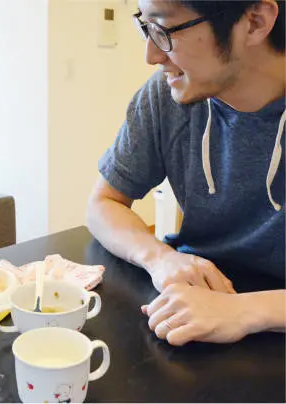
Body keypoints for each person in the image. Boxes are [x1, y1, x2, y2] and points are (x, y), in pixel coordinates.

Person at [87, 0, 285, 345]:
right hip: (196, 309)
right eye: (145, 27)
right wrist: (160, 259)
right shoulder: (166, 95)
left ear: (254, 21)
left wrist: (244, 310)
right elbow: (103, 204)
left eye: (164, 30)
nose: (151, 55)